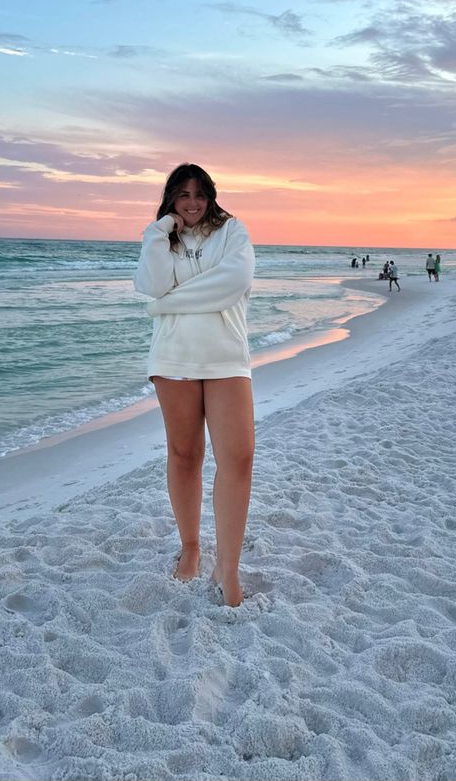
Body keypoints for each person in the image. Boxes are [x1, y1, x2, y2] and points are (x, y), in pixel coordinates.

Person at [134, 163, 255, 607]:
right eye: (181, 194)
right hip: (173, 358)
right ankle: (191, 548)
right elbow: (150, 284)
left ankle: (228, 565)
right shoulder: (163, 237)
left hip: (225, 358)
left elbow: (230, 286)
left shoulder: (233, 232)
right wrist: (158, 230)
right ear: (170, 197)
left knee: (237, 458)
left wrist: (163, 306)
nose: (191, 202)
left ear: (211, 195)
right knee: (185, 455)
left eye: (199, 193)